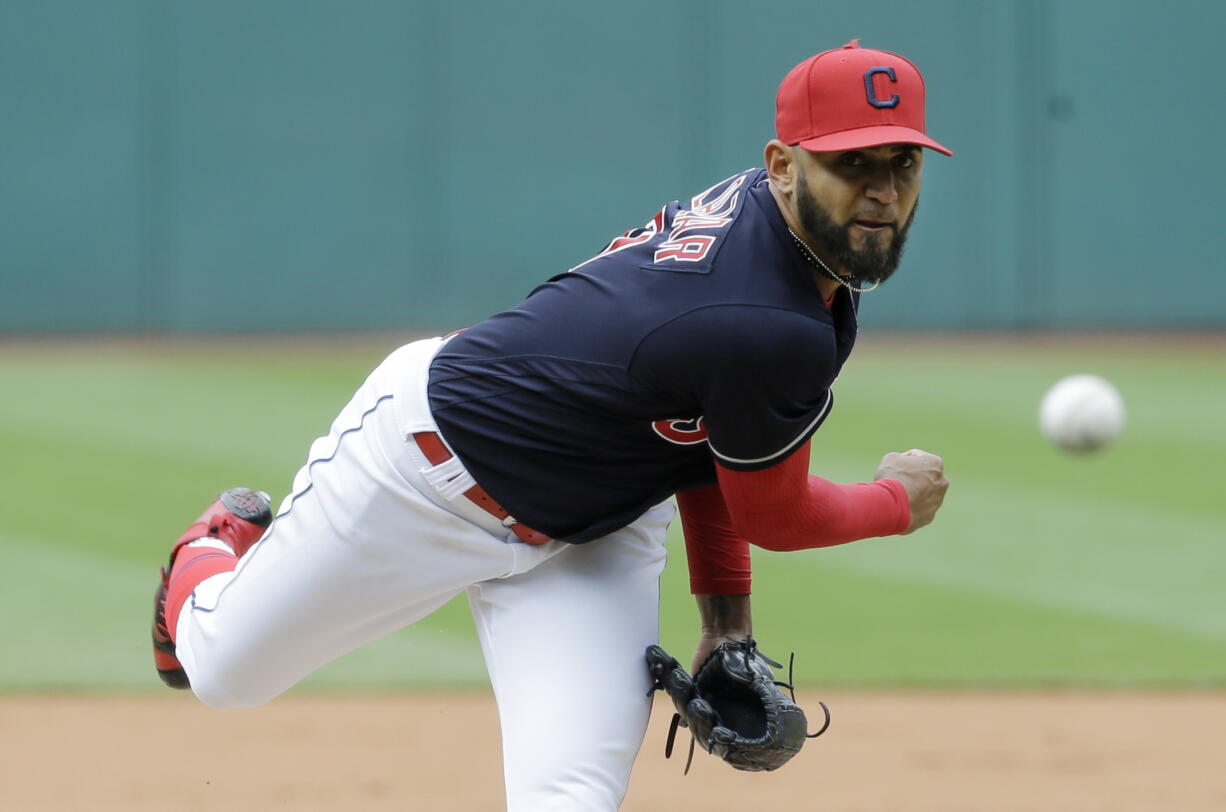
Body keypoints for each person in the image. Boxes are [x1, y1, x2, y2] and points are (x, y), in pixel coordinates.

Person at [151, 39, 951, 811]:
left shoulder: (786, 247)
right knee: (222, 671)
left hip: (596, 531)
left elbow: (710, 434)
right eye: (853, 164)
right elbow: (774, 514)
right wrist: (895, 501)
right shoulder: (768, 318)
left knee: (569, 797)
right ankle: (213, 544)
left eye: (901, 164)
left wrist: (726, 625)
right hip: (424, 473)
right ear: (783, 166)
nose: (882, 190)